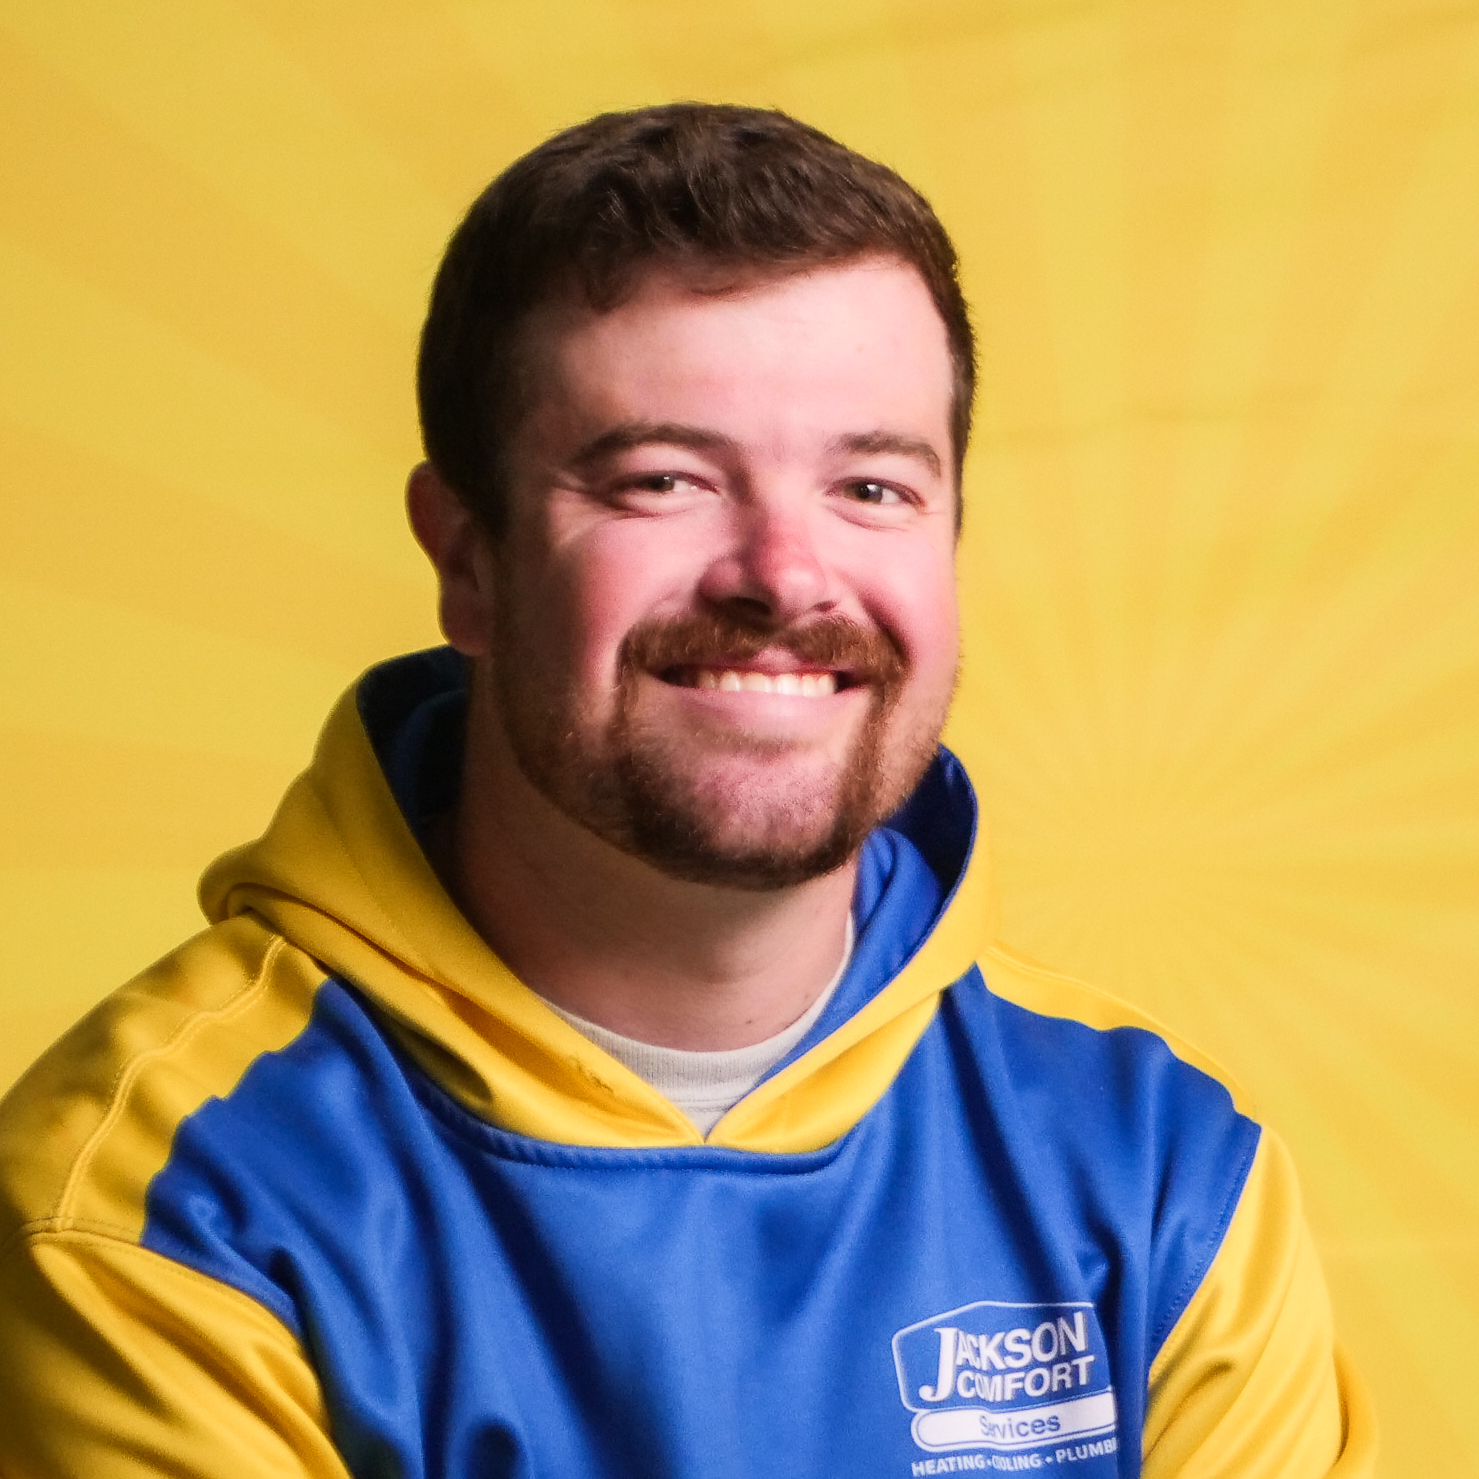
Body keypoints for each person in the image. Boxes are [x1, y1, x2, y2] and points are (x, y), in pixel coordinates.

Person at [0, 103, 1374, 1477]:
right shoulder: (162, 1200)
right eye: (664, 479)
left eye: (873, 487)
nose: (783, 575)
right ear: (466, 559)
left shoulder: (1161, 1166)